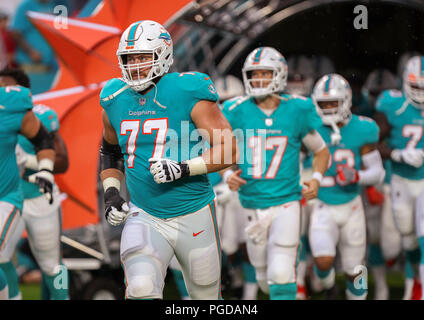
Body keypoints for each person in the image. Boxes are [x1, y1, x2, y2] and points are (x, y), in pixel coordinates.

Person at [99, 20, 237, 300]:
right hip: (145, 213)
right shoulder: (114, 97)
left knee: (206, 297)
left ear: (162, 54)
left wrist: (184, 168)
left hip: (194, 212)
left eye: (142, 57)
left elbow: (230, 149)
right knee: (140, 290)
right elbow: (110, 152)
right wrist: (112, 193)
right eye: (129, 58)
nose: (135, 65)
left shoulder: (188, 90)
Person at [222, 46, 330, 300]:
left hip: (287, 202)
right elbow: (218, 149)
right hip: (251, 203)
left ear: (279, 75)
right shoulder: (235, 110)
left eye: (264, 74)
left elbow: (321, 151)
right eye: (253, 74)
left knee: (282, 273)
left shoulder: (297, 109)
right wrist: (227, 174)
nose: (258, 80)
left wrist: (316, 179)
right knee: (263, 278)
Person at [309, 73, 385, 300]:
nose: (329, 108)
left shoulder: (363, 128)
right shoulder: (310, 127)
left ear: (347, 100)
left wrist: (357, 176)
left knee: (356, 268)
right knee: (322, 261)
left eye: (334, 103)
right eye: (324, 104)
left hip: (352, 205)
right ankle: (328, 285)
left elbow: (377, 172)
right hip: (322, 203)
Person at [0, 68, 69, 300]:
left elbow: (62, 161)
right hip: (10, 196)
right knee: (3, 258)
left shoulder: (39, 115)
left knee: (52, 265)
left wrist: (30, 161)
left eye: (6, 86)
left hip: (40, 198)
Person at [374, 55, 424, 300]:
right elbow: (372, 140)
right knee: (407, 240)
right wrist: (398, 153)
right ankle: (415, 278)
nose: (421, 93)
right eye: (417, 86)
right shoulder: (392, 104)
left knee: (423, 235)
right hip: (401, 180)